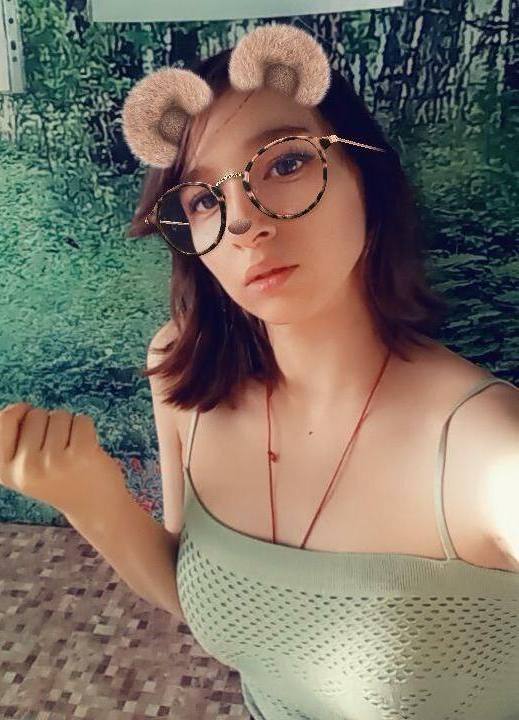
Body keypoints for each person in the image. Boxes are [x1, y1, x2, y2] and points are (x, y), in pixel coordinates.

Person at [122, 23, 519, 720]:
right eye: (204, 199)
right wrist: (87, 496)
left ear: (367, 177)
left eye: (284, 164)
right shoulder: (184, 374)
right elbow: (206, 594)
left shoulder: (487, 453)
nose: (243, 223)